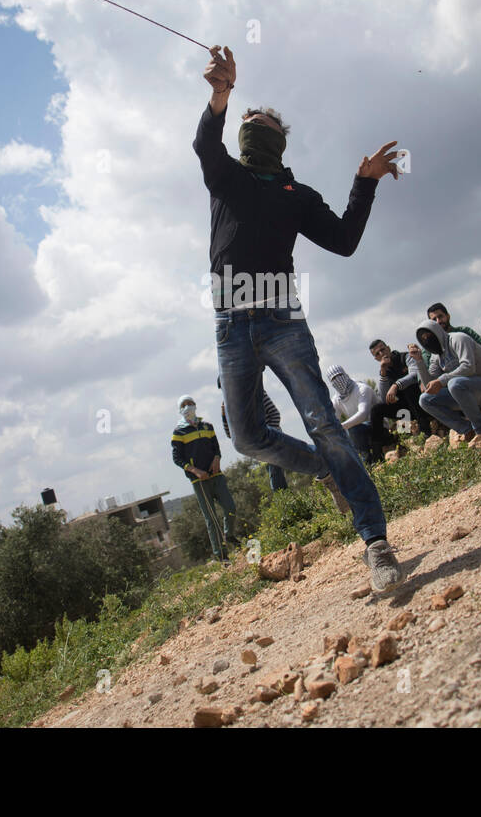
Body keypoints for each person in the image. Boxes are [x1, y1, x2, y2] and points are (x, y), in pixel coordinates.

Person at [196, 44, 404, 594]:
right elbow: (204, 143)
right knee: (246, 437)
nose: (246, 130)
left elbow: (343, 241)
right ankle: (328, 471)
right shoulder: (227, 179)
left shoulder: (295, 193)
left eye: (255, 124)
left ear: (274, 139)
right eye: (243, 124)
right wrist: (221, 96)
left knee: (324, 423)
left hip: (282, 319)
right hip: (230, 323)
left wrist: (365, 183)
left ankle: (375, 543)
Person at [413, 318, 481, 442]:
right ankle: (467, 429)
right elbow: (430, 385)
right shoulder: (436, 356)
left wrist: (442, 381)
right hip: (467, 393)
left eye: (429, 335)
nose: (427, 340)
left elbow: (468, 367)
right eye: (423, 339)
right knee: (425, 399)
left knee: (454, 383)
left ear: (437, 331)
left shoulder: (458, 339)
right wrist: (419, 361)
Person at [170, 394, 239, 562]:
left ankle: (229, 534)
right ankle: (221, 555)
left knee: (230, 507)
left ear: (195, 405)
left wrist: (217, 460)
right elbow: (177, 458)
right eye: (184, 405)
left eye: (190, 403)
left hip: (216, 475)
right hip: (199, 481)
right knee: (211, 518)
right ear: (180, 410)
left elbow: (216, 448)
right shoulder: (178, 432)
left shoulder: (207, 426)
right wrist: (194, 471)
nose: (188, 407)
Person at [218, 374, 288, 491]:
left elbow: (274, 414)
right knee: (276, 476)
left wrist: (269, 437)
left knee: (277, 475)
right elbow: (230, 434)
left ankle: (287, 504)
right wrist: (224, 416)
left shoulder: (255, 392)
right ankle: (286, 504)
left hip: (272, 440)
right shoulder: (228, 406)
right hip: (257, 447)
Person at [325, 365, 392, 464]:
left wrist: (342, 427)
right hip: (359, 434)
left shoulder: (362, 389)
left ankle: (368, 461)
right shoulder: (337, 399)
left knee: (352, 429)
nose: (338, 380)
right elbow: (334, 420)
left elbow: (363, 414)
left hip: (379, 428)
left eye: (339, 375)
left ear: (345, 374)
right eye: (333, 379)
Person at [369, 338, 432, 435]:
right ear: (376, 359)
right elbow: (385, 399)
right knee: (376, 410)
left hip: (421, 402)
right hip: (405, 410)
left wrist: (396, 385)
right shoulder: (384, 372)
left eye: (383, 349)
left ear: (388, 348)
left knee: (408, 388)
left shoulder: (405, 357)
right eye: (377, 354)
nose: (381, 354)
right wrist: (383, 373)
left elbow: (415, 375)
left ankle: (425, 431)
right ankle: (382, 444)